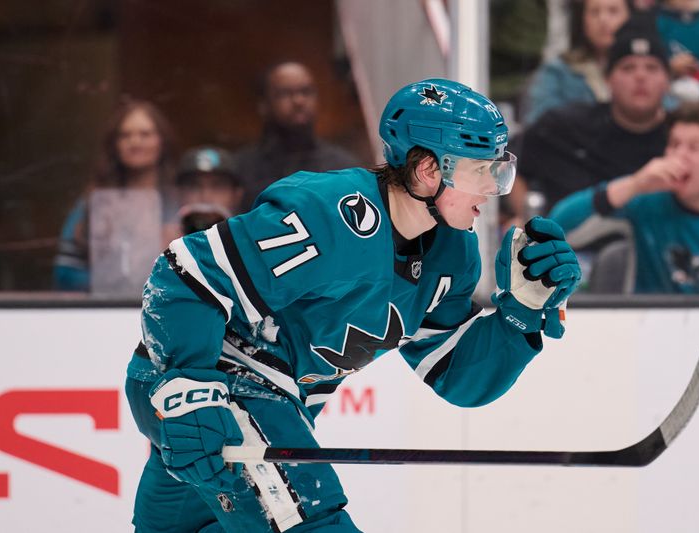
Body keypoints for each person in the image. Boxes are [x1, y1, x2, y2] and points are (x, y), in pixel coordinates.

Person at [124, 78, 582, 532]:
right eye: (480, 170)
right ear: (427, 170)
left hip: (274, 406)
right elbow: (185, 276)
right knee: (311, 520)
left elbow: (455, 374)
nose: (493, 188)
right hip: (213, 385)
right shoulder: (327, 213)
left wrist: (519, 314)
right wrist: (189, 387)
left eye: (497, 169)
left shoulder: (452, 254)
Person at [550, 100, 699, 293]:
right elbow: (557, 227)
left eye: (694, 147)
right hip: (646, 331)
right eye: (674, 145)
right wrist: (633, 184)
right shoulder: (647, 198)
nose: (680, 155)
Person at [509, 16, 672, 219]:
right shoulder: (566, 126)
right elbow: (508, 159)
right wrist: (524, 219)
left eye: (651, 68)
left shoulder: (683, 136)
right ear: (607, 80)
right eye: (628, 68)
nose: (640, 77)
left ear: (668, 81)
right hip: (570, 244)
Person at [53, 99, 178, 291]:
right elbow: (66, 270)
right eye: (125, 135)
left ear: (162, 141)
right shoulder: (92, 203)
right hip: (106, 315)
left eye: (145, 134)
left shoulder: (180, 204)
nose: (135, 142)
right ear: (115, 145)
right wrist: (109, 277)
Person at [235, 61, 359, 208]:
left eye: (306, 92)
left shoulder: (342, 167)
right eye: (285, 93)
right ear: (264, 105)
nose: (298, 101)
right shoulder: (241, 168)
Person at [518, 0, 632, 126]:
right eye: (594, 12)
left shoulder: (647, 69)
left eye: (613, 11)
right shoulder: (558, 72)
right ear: (582, 19)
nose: (603, 19)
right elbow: (538, 127)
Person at [175, 146, 245, 235]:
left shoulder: (249, 242)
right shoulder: (164, 242)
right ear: (178, 194)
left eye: (218, 186)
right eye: (194, 186)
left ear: (237, 195)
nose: (205, 197)